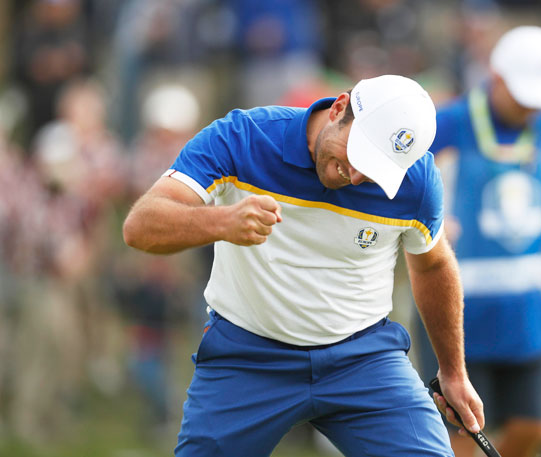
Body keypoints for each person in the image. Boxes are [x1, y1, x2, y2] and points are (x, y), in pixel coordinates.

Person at [122, 74, 484, 457]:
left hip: (363, 359)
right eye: (358, 154)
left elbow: (432, 265)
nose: (357, 176)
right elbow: (140, 226)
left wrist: (453, 372)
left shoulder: (416, 181)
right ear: (339, 108)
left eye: (375, 168)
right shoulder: (245, 136)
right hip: (247, 356)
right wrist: (222, 223)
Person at [413, 26, 541, 457]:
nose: (530, 105)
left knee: (536, 425)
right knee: (461, 438)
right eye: (522, 94)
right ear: (496, 76)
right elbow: (406, 184)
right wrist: (426, 220)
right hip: (460, 308)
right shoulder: (449, 122)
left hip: (527, 308)